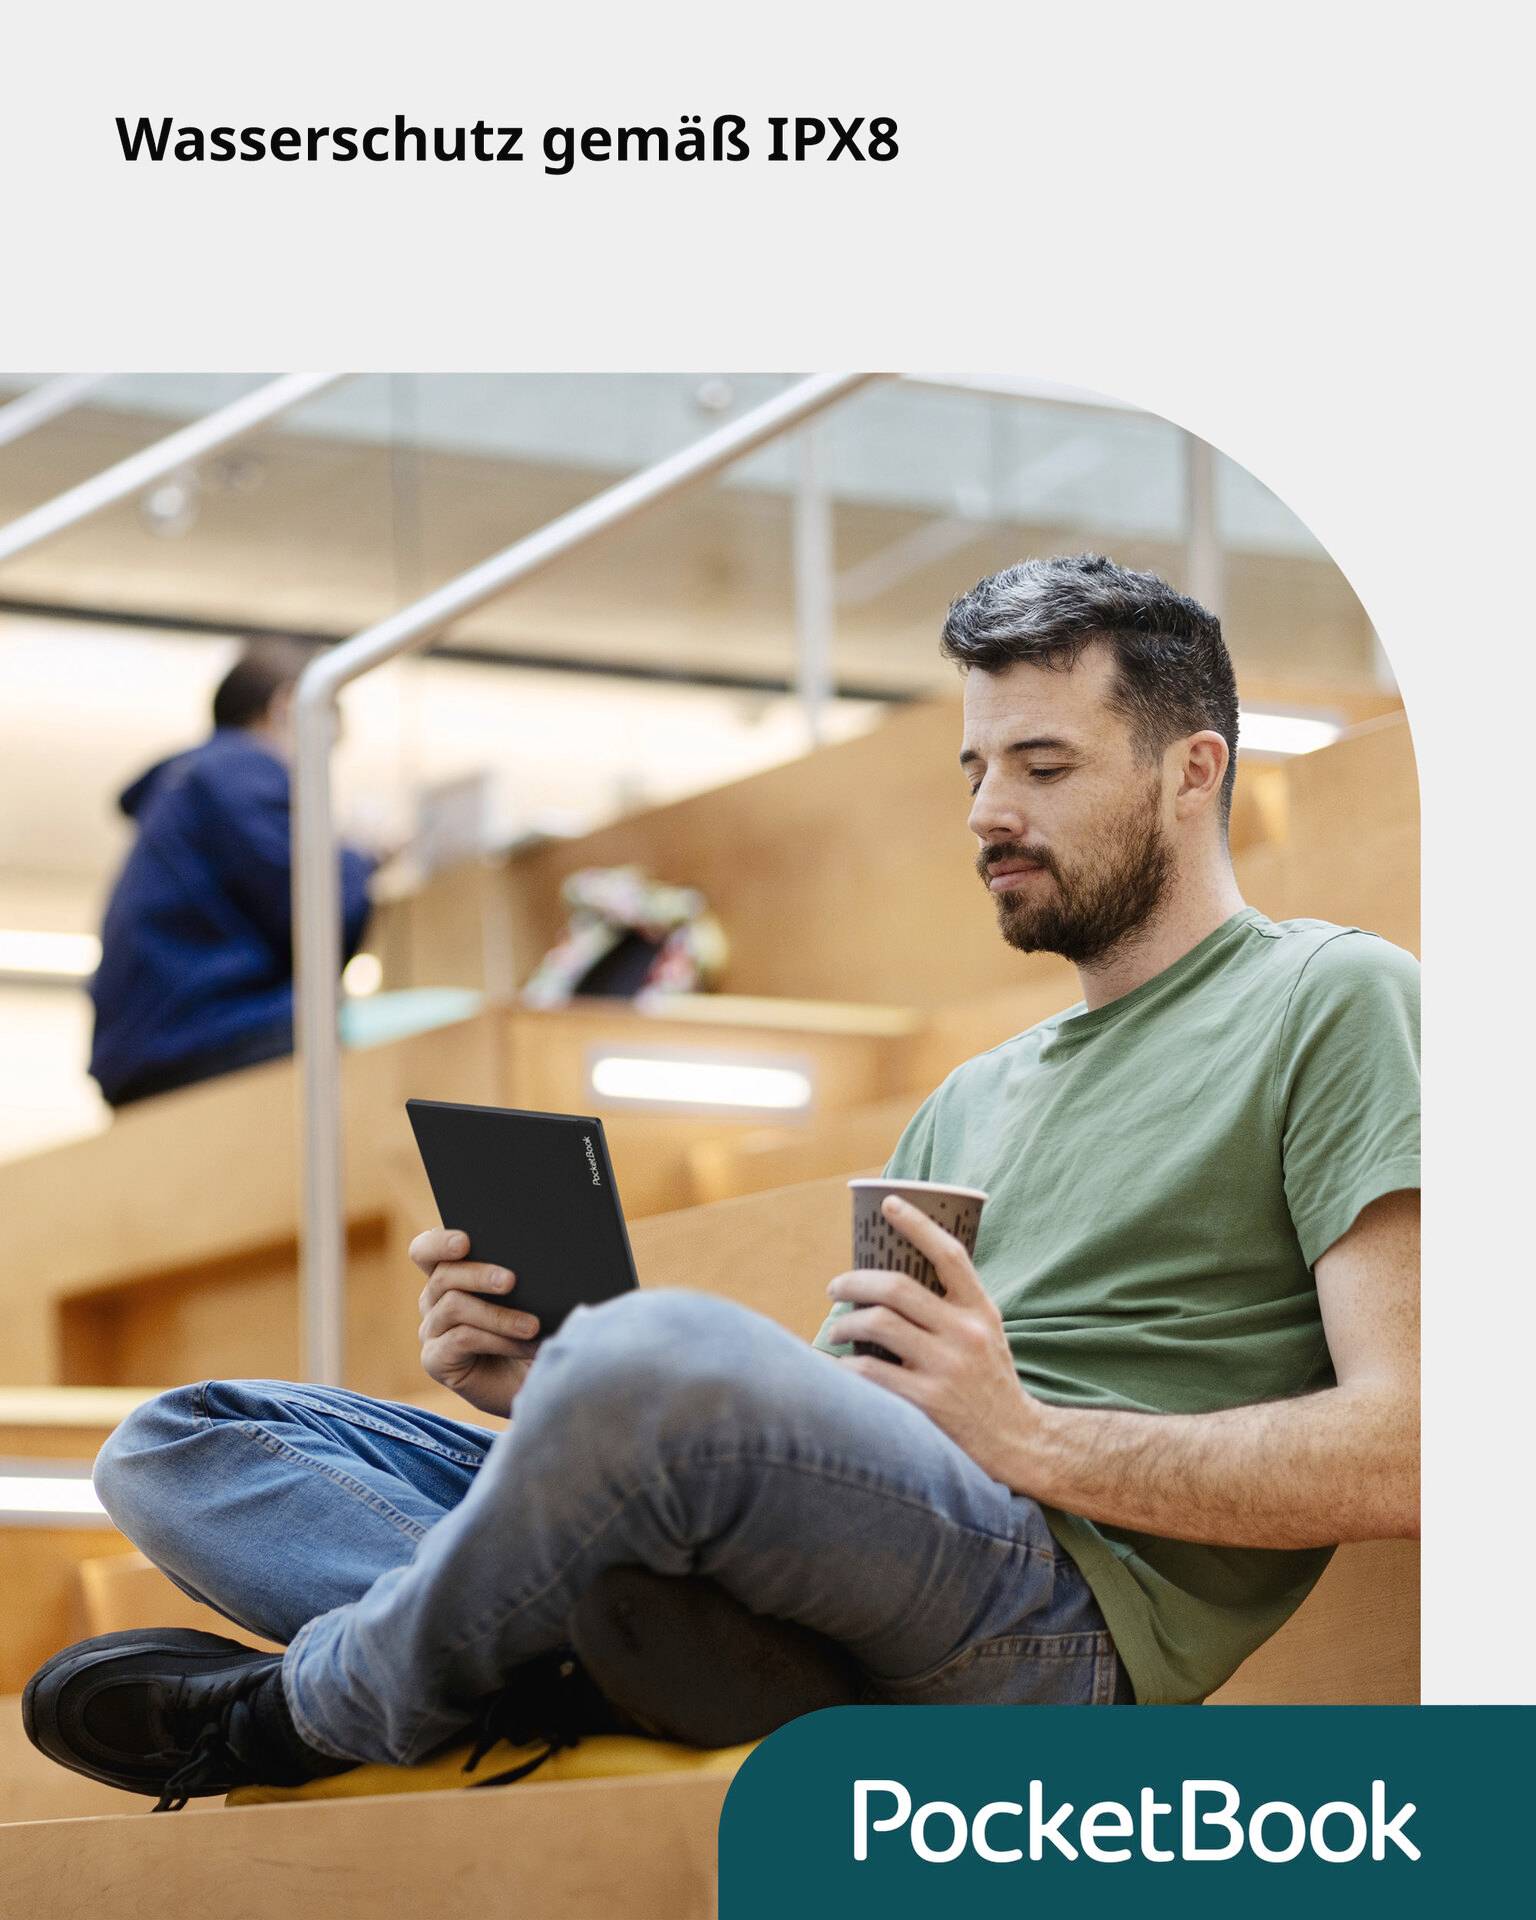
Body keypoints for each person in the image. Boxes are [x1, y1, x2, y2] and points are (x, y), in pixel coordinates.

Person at [25, 554, 1419, 1809]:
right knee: (178, 1445)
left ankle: (306, 1710)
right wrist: (544, 1396)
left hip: (1055, 1617)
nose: (991, 811)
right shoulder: (971, 1095)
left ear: (1194, 771)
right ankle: (622, 1651)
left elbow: (1420, 1444)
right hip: (855, 1555)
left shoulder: (1335, 1000)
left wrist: (1029, 1440)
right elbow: (829, 1426)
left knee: (658, 1352)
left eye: (1043, 767)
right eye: (974, 770)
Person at [88, 639, 376, 1107]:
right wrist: (358, 856)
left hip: (150, 1049)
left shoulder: (187, 783)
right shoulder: (244, 769)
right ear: (287, 708)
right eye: (326, 747)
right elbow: (316, 918)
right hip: (214, 1033)